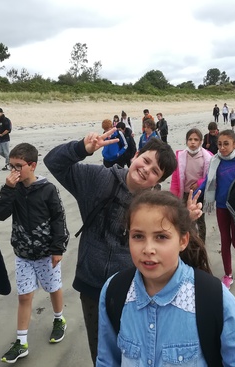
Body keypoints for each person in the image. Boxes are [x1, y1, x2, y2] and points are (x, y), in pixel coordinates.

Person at [43, 130, 185, 364]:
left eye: (155, 172)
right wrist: (82, 149)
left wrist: (184, 222)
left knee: (135, 352)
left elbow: (168, 247)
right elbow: (53, 162)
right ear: (135, 154)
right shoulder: (97, 178)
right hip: (91, 284)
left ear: (158, 181)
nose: (146, 169)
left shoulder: (155, 206)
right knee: (100, 352)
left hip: (136, 290)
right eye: (146, 160)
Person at [96, 190, 235, 366]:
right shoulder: (115, 291)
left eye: (161, 237)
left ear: (183, 241)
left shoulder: (213, 299)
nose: (148, 249)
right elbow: (107, 360)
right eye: (138, 236)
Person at [0, 143, 69, 364]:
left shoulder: (48, 189)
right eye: (11, 166)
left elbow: (58, 218)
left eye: (18, 166)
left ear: (32, 166)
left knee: (53, 288)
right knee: (24, 296)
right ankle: (22, 342)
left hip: (46, 253)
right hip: (23, 254)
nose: (14, 171)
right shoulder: (12, 189)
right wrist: (8, 190)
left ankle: (59, 320)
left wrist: (57, 248)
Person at [196, 130, 235, 289]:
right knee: (224, 240)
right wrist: (196, 194)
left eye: (226, 144)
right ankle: (228, 274)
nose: (222, 147)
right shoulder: (215, 161)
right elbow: (207, 182)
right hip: (221, 206)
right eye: (219, 144)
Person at [170, 128, 213, 243]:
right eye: (190, 139)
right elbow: (175, 178)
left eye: (196, 139)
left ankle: (201, 243)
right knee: (186, 219)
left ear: (200, 142)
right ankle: (190, 243)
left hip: (199, 194)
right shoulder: (180, 157)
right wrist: (173, 195)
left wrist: (199, 183)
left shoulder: (207, 157)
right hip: (184, 194)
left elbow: (211, 176)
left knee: (200, 219)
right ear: (186, 141)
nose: (193, 142)